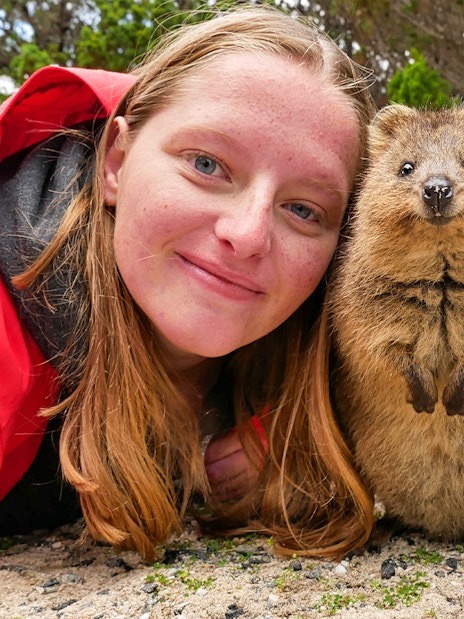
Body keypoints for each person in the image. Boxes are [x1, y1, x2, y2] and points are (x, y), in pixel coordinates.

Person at [0, 6, 376, 560]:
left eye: (303, 209)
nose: (248, 234)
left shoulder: (341, 344)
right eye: (205, 164)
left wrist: (292, 430)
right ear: (116, 162)